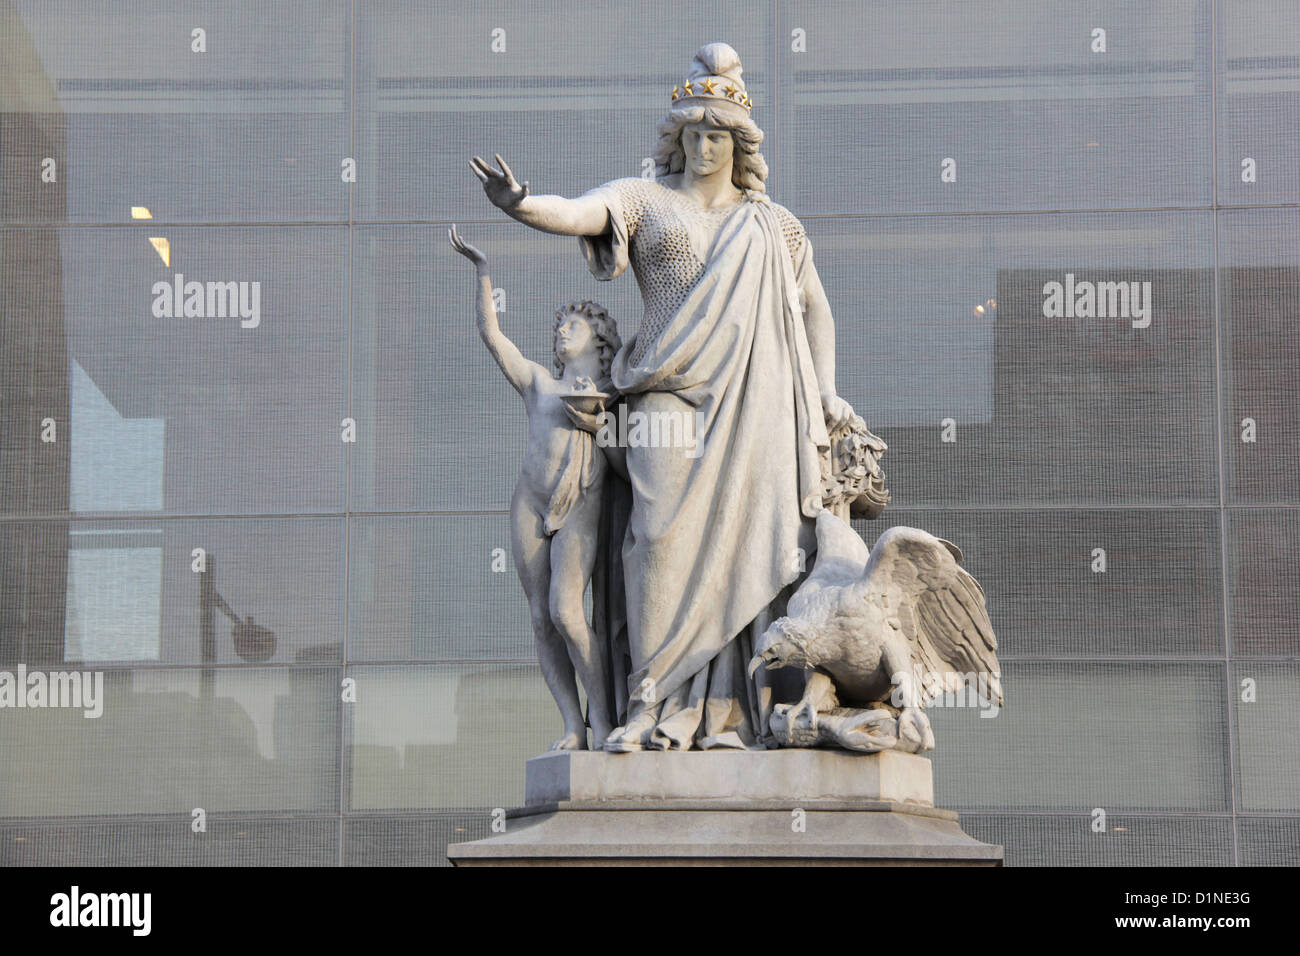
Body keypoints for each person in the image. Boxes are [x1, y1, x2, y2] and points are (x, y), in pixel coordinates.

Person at [469, 42, 856, 751]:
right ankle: (649, 697)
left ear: (740, 145)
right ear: (675, 139)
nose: (704, 146)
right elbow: (581, 212)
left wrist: (826, 391)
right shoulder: (645, 199)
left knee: (765, 546)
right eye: (692, 133)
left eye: (717, 135)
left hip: (758, 403)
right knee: (656, 537)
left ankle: (739, 709)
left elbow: (814, 310)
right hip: (664, 395)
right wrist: (523, 205)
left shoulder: (775, 225)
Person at [449, 223, 620, 750]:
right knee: (541, 619)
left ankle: (608, 722)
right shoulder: (540, 384)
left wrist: (600, 423)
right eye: (560, 326)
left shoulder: (616, 391)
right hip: (529, 499)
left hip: (580, 503)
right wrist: (482, 274)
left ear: (598, 336)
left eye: (572, 324)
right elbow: (493, 337)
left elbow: (630, 461)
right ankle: (572, 724)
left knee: (568, 612)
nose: (562, 331)